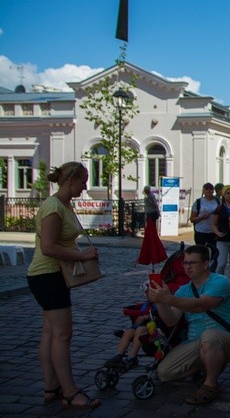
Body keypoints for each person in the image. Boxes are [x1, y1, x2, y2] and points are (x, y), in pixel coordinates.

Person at [26, 161, 101, 409]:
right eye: (83, 180)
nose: (85, 186)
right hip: (46, 275)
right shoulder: (53, 206)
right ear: (70, 180)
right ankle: (70, 391)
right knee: (62, 334)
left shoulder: (64, 205)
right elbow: (48, 247)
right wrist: (82, 256)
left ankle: (51, 388)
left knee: (50, 333)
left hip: (53, 275)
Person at [148, 244, 230, 405]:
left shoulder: (220, 282)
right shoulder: (184, 290)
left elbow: (201, 305)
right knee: (164, 372)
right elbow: (171, 320)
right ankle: (208, 364)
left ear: (205, 264)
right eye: (185, 263)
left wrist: (169, 299)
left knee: (209, 336)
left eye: (192, 263)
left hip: (225, 339)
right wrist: (160, 301)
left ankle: (210, 385)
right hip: (196, 342)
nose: (187, 267)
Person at [105, 300, 158, 369]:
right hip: (140, 326)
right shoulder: (146, 305)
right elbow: (137, 323)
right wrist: (142, 318)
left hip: (154, 329)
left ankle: (132, 357)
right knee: (128, 332)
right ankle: (118, 355)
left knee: (140, 330)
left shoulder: (162, 306)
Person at [190, 182, 220, 247]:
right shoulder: (198, 202)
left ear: (213, 190)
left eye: (211, 189)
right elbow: (192, 219)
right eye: (206, 189)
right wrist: (201, 217)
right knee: (201, 252)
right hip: (201, 232)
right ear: (203, 191)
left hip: (214, 232)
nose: (209, 191)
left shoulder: (217, 201)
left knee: (214, 252)